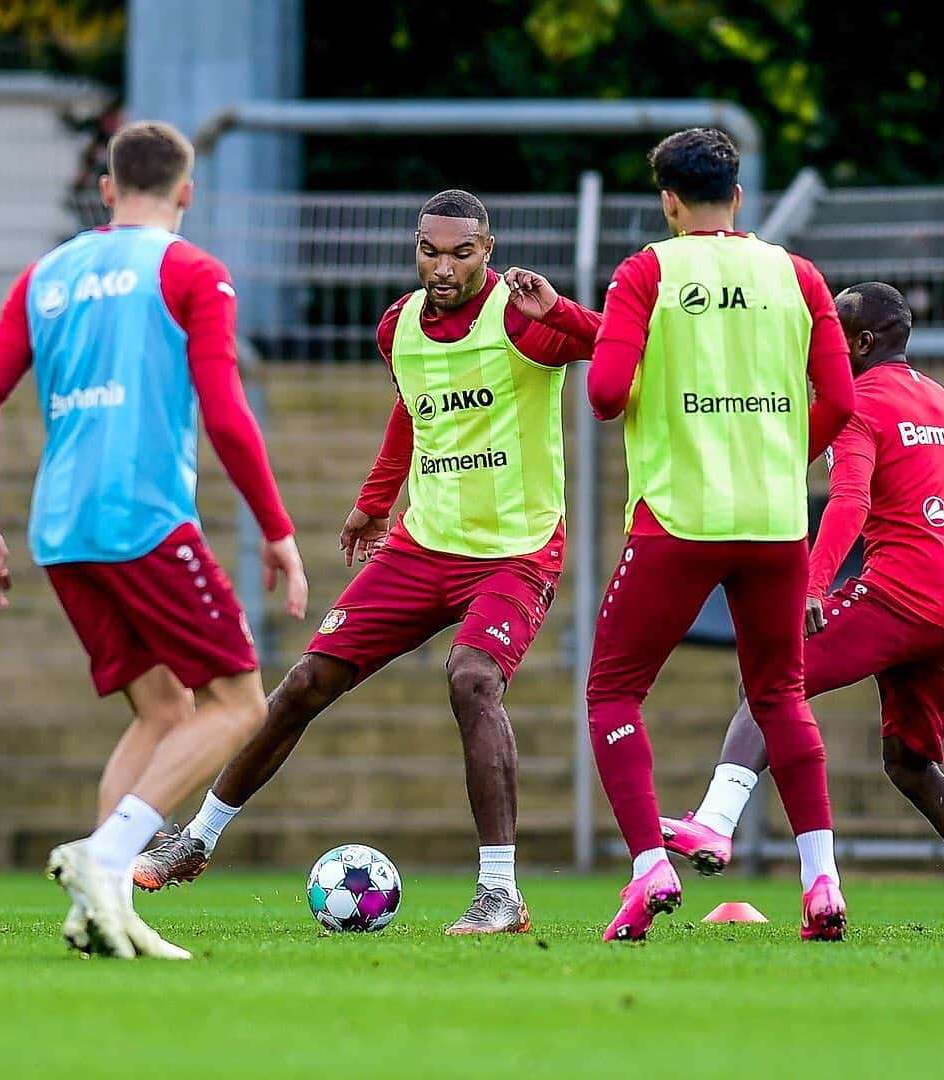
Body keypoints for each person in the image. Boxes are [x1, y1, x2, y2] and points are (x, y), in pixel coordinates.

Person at [134, 189, 602, 934]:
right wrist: (373, 500)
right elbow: (412, 410)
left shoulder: (522, 318)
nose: (442, 267)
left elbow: (616, 348)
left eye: (461, 251)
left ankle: (500, 893)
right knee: (301, 683)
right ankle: (198, 840)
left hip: (514, 554)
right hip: (422, 547)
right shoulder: (398, 327)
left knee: (473, 679)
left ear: (488, 249)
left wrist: (564, 314)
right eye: (429, 250)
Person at [0, 120, 307, 959]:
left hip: (62, 527)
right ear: (188, 192)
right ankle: (105, 856)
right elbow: (224, 411)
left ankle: (101, 909)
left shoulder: (47, 274)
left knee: (161, 708)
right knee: (238, 703)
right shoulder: (191, 270)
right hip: (143, 519)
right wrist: (277, 529)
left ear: (108, 190)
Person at [661, 282, 944, 934]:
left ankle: (716, 821)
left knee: (770, 673)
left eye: (832, 327)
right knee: (910, 764)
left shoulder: (862, 402)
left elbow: (848, 502)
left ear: (863, 342)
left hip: (904, 596)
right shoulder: (942, 402)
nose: (821, 338)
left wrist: (814, 587)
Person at [586, 128, 856, 943]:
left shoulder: (648, 270)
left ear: (668, 201)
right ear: (738, 196)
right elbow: (841, 404)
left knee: (613, 692)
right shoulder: (796, 273)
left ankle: (648, 870)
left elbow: (603, 393)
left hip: (679, 517)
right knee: (779, 694)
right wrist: (777, 457)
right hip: (777, 522)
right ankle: (823, 885)